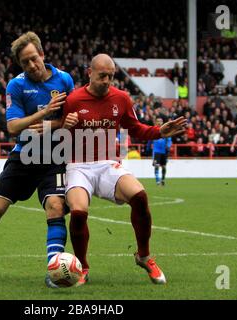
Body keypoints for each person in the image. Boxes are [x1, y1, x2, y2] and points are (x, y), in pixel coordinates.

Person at [0, 31, 74, 288]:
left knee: (55, 206)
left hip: (55, 156)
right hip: (24, 154)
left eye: (34, 58)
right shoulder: (16, 85)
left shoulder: (65, 80)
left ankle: (54, 268)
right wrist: (43, 113)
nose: (32, 65)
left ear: (42, 54)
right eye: (25, 62)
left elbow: (73, 119)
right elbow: (13, 127)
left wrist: (51, 125)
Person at [62, 54, 187, 285]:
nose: (107, 80)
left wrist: (159, 131)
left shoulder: (122, 99)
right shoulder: (73, 100)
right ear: (90, 73)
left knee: (139, 196)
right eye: (102, 76)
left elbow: (136, 128)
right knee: (79, 213)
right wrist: (63, 127)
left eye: (111, 76)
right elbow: (57, 136)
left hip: (108, 163)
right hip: (78, 165)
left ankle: (144, 256)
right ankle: (82, 267)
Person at [148, 117, 172, 186]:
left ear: (162, 122)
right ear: (155, 122)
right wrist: (148, 148)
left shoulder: (165, 131)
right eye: (158, 121)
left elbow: (169, 139)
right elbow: (149, 140)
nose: (159, 122)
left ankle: (163, 179)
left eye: (160, 121)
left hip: (164, 152)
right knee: (157, 166)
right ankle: (157, 181)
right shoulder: (153, 130)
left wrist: (168, 145)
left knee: (164, 167)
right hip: (156, 152)